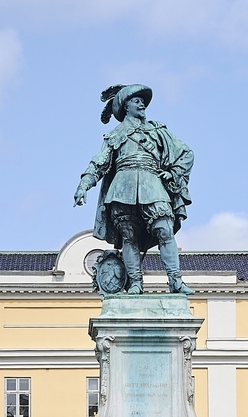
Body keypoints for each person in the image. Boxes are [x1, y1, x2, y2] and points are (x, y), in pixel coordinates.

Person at [75, 83, 196, 295]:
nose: (141, 103)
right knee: (128, 237)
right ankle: (135, 283)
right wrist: (84, 184)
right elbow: (99, 162)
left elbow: (186, 153)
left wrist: (174, 172)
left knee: (165, 230)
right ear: (125, 107)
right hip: (122, 187)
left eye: (142, 100)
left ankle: (175, 281)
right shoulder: (115, 135)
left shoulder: (158, 131)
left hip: (153, 184)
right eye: (135, 100)